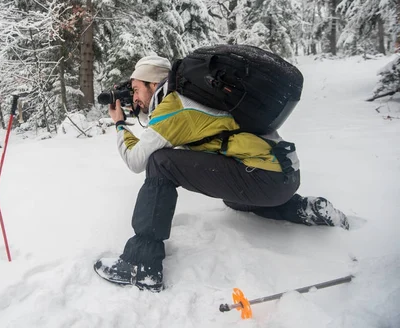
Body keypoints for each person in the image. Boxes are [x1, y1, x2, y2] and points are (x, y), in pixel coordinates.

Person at [94, 55, 349, 293]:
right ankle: (304, 209)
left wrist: (119, 124)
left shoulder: (173, 108)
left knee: (161, 163)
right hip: (283, 177)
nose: (134, 98)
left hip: (263, 178)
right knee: (232, 198)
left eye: (136, 89)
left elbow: (137, 160)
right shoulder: (195, 97)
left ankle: (141, 264)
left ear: (154, 83)